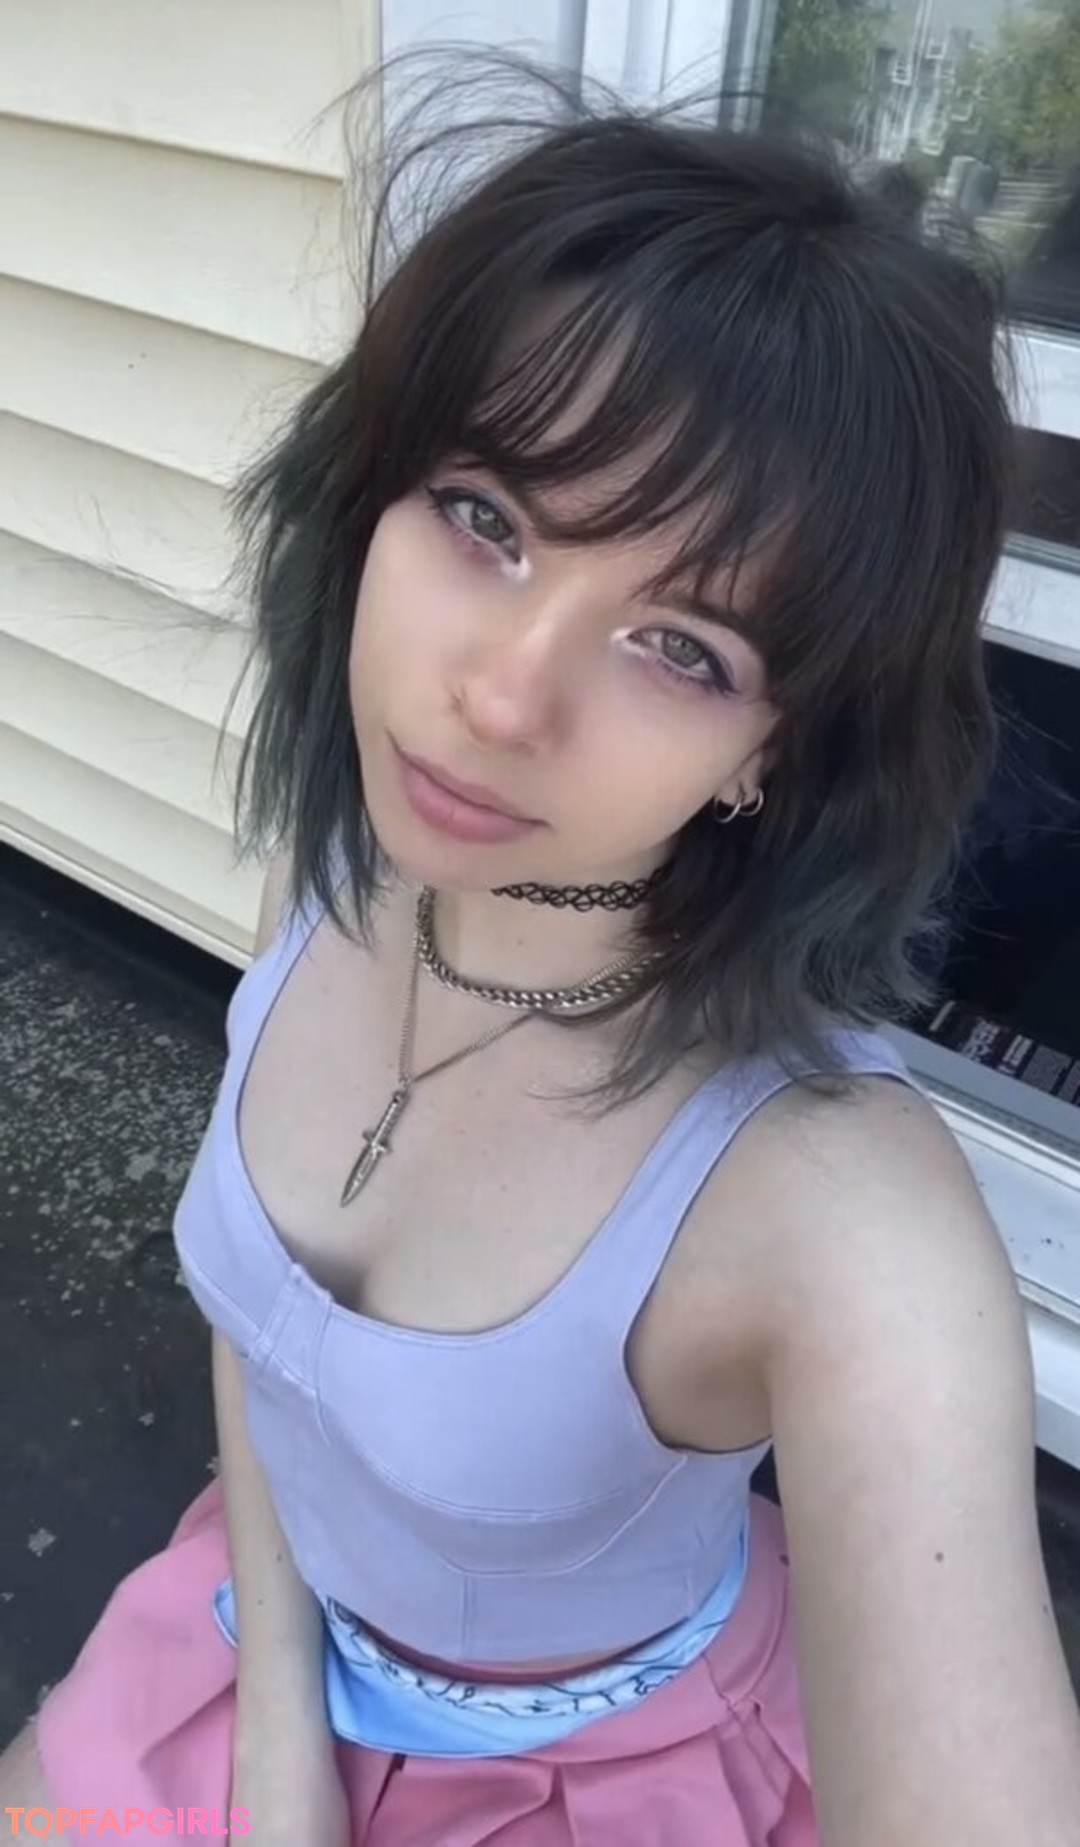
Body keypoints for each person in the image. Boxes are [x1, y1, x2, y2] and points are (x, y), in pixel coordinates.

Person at [4, 51, 1079, 1847]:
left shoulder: (838, 1220)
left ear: (777, 754)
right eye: (486, 519)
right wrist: (280, 1742)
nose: (500, 698)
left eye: (685, 648)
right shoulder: (334, 876)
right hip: (261, 1637)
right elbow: (267, 1356)